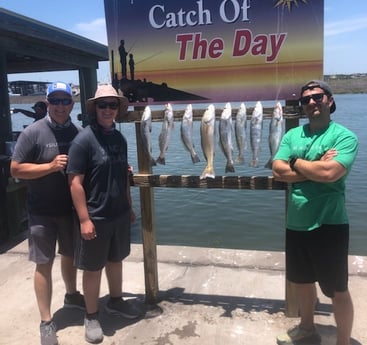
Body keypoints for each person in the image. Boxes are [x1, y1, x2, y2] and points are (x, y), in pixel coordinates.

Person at [272, 80, 358, 345]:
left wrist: (296, 163)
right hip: (296, 223)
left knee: (338, 289)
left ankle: (343, 341)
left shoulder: (345, 136)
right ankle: (307, 328)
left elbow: (331, 172)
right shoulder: (291, 136)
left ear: (330, 101)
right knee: (302, 282)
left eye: (317, 97)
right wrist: (315, 167)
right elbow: (277, 171)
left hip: (329, 224)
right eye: (305, 100)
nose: (311, 102)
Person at [10, 81, 85, 345]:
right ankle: (46, 320)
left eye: (66, 101)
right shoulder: (33, 132)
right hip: (41, 211)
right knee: (44, 264)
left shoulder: (78, 132)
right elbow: (16, 169)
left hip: (69, 210)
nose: (61, 106)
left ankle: (72, 294)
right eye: (56, 101)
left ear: (72, 104)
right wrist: (50, 166)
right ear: (48, 102)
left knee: (69, 256)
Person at [67, 84, 140, 344]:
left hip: (119, 213)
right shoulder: (83, 140)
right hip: (95, 216)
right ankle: (91, 314)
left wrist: (129, 206)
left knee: (116, 260)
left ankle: (116, 301)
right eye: (103, 105)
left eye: (112, 105)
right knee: (93, 268)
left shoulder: (119, 138)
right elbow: (75, 183)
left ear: (118, 109)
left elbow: (123, 175)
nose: (108, 110)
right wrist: (84, 219)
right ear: (94, 109)